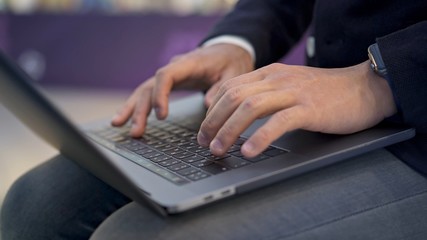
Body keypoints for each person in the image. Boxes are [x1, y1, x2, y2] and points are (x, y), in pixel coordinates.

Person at [2, 0, 427, 239]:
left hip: (416, 138)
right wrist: (237, 43)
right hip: (318, 108)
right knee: (38, 201)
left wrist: (380, 79)